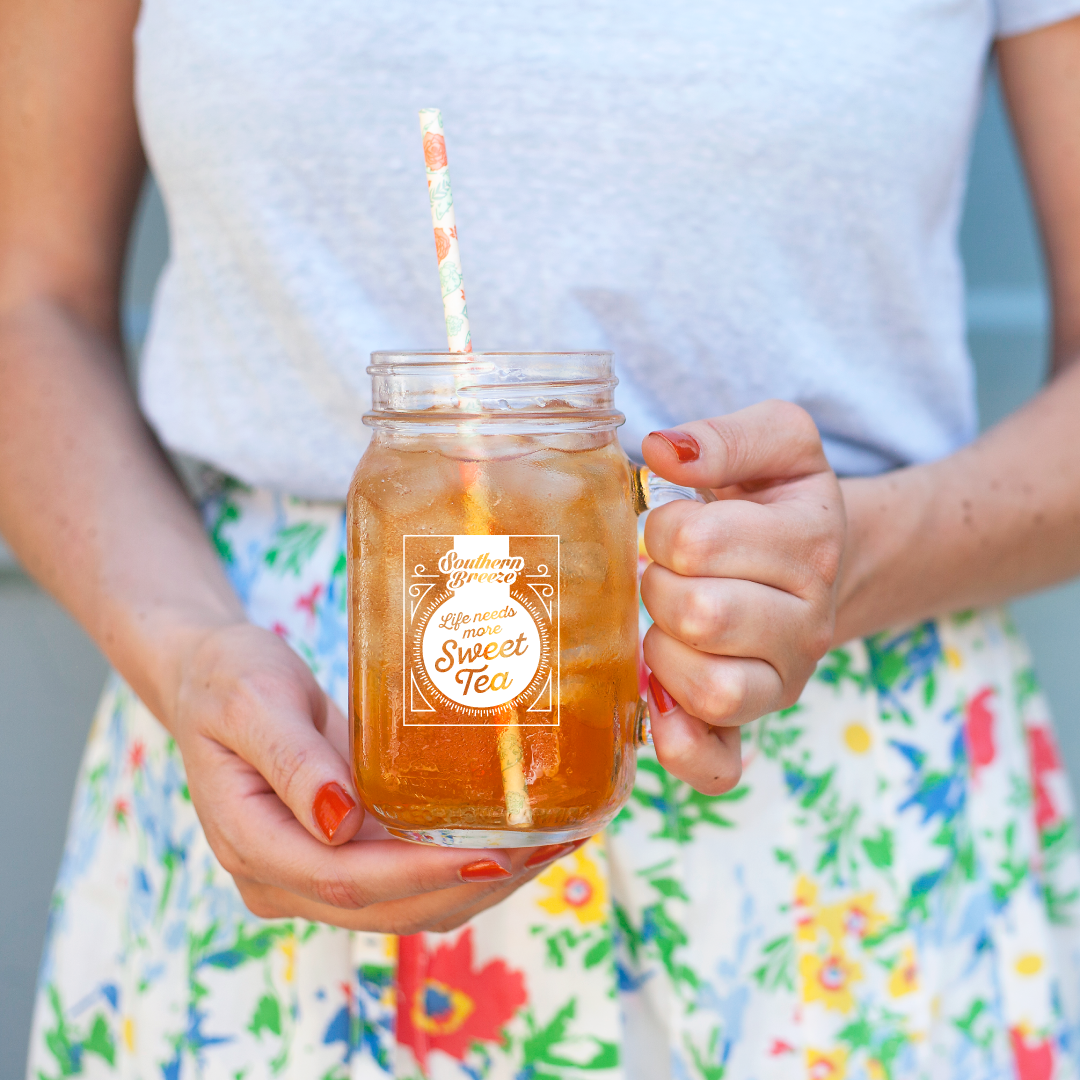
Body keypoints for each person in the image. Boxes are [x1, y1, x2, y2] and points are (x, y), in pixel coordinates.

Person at [5, 0, 1080, 1076]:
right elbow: (27, 302)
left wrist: (865, 556)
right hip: (283, 760)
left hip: (852, 836)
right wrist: (187, 652)